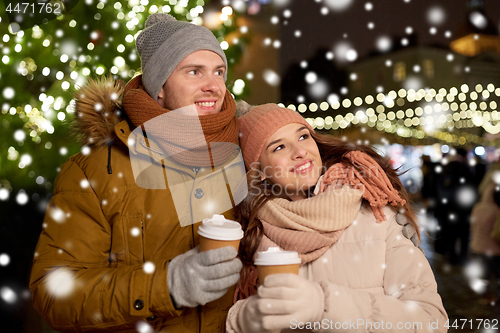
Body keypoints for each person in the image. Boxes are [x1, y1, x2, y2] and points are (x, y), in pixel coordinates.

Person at [29, 14, 244, 332]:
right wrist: (167, 284)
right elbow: (55, 292)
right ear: (159, 88)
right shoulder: (96, 171)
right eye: (194, 72)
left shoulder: (246, 149)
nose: (213, 86)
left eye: (219, 72)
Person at [226, 104, 448, 332]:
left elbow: (431, 321)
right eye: (279, 147)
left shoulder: (376, 216)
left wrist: (325, 306)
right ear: (259, 170)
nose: (299, 151)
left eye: (303, 136)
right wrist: (247, 317)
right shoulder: (249, 235)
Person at [469, 160, 500, 304]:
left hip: (477, 245)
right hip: (492, 249)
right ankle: (488, 296)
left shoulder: (478, 207)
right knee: (491, 273)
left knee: (484, 274)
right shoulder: (496, 211)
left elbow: (473, 226)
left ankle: (484, 295)